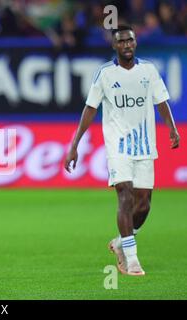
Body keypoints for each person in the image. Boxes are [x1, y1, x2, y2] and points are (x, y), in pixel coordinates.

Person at [64, 25, 180, 276]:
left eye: (130, 41)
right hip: (118, 145)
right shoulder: (104, 74)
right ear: (114, 46)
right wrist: (74, 145)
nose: (127, 45)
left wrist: (172, 128)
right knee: (125, 196)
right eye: (122, 42)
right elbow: (90, 109)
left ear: (135, 43)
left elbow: (161, 101)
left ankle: (119, 242)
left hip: (145, 145)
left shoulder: (148, 70)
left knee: (144, 205)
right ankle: (132, 258)